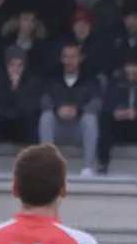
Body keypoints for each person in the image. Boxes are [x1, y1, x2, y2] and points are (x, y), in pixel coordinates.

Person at [39, 42, 101, 177]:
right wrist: (57, 110)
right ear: (61, 59)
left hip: (79, 129)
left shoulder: (90, 80)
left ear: (81, 58)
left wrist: (78, 111)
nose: (69, 61)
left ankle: (87, 168)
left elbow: (96, 103)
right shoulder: (52, 80)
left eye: (73, 57)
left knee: (90, 119)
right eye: (66, 57)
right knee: (46, 117)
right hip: (58, 128)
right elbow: (44, 101)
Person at [0, 46, 41, 175]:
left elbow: (30, 109)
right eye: (12, 65)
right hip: (1, 126)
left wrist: (16, 90)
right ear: (6, 65)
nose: (16, 69)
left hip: (22, 127)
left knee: (32, 120)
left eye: (20, 65)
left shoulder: (32, 82)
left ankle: (31, 165)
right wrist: (10, 111)